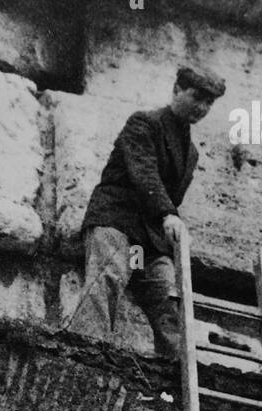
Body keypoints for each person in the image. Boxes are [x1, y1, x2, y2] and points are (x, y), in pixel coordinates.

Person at [68, 63, 226, 359]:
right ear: (177, 89)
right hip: (116, 220)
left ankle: (175, 375)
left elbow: (170, 198)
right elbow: (144, 174)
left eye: (209, 102)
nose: (202, 107)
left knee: (170, 297)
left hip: (149, 240)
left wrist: (169, 223)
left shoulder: (191, 153)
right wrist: (168, 214)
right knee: (108, 277)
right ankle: (84, 355)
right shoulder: (143, 123)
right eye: (197, 97)